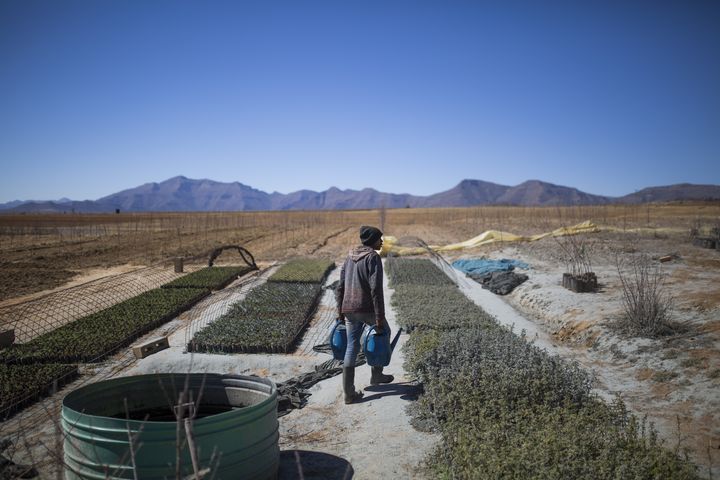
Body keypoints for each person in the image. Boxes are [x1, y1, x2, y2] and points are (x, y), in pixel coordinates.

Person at [335, 225, 394, 404]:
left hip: (349, 308)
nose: (382, 241)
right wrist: (379, 316)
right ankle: (376, 375)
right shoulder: (372, 257)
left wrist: (339, 311)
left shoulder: (349, 256)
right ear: (371, 241)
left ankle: (349, 393)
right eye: (379, 239)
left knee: (352, 347)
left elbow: (340, 286)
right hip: (366, 307)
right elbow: (375, 289)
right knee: (383, 334)